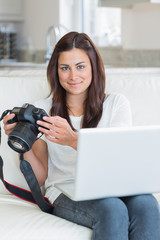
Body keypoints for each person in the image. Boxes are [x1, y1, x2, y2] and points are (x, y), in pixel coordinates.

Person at [3, 32, 160, 240]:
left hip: (111, 185)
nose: (73, 76)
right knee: (112, 209)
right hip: (64, 190)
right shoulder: (42, 111)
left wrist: (74, 140)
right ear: (56, 71)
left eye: (80, 66)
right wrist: (25, 144)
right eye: (65, 68)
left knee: (147, 204)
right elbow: (40, 178)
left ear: (94, 67)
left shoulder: (116, 104)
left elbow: (120, 159)